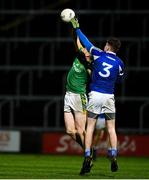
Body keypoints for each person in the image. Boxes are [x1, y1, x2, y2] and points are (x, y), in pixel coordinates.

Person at [70, 17, 125, 175]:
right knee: (111, 128)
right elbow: (119, 79)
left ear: (108, 46)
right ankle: (113, 154)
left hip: (95, 95)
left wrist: (77, 28)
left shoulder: (99, 54)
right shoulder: (120, 63)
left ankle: (87, 156)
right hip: (109, 96)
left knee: (91, 127)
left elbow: (86, 43)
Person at [64, 28, 91, 150]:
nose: (84, 48)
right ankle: (87, 148)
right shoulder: (80, 56)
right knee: (70, 131)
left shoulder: (89, 67)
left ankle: (88, 154)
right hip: (68, 95)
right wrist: (74, 29)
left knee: (81, 130)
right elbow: (77, 42)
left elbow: (93, 77)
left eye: (87, 50)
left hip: (79, 97)